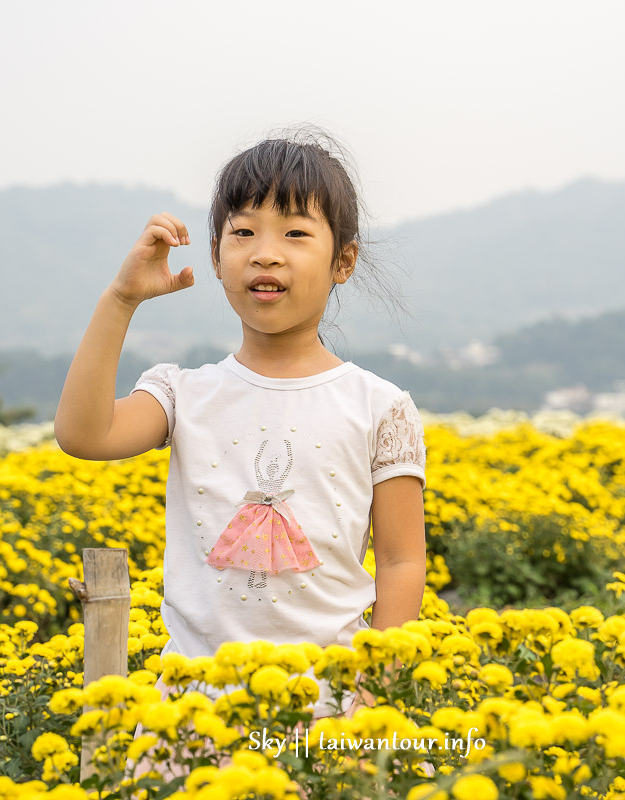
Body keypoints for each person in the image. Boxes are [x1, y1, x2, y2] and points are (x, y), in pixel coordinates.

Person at [53, 125, 427, 780]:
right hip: (193, 715)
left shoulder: (380, 406)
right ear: (219, 254)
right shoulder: (183, 393)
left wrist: (375, 696)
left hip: (327, 711)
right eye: (244, 232)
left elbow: (401, 561)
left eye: (295, 233)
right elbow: (84, 435)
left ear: (344, 261)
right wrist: (121, 299)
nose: (266, 255)